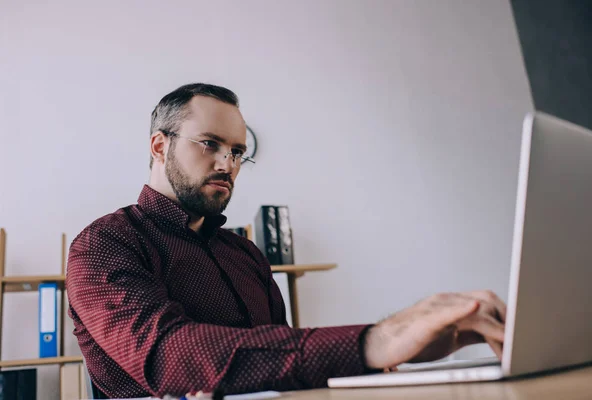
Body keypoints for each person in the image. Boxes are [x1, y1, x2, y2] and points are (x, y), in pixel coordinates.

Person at [66, 83, 506, 398]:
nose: (228, 162)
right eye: (210, 144)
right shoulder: (103, 244)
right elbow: (169, 355)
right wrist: (375, 341)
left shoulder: (244, 253)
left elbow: (283, 356)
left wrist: (396, 355)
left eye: (238, 151)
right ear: (160, 147)